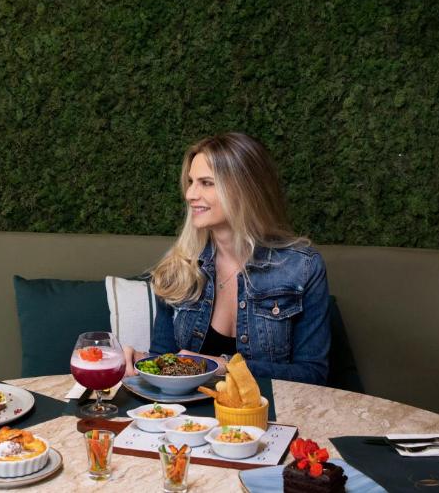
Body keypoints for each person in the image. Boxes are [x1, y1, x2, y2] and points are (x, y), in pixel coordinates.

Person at [124, 133, 330, 385]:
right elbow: (166, 361)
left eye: (206, 183)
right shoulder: (178, 266)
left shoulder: (303, 267)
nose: (190, 194)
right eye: (191, 182)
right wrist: (143, 361)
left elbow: (313, 375)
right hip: (189, 411)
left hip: (268, 408)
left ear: (244, 189)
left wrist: (224, 367)